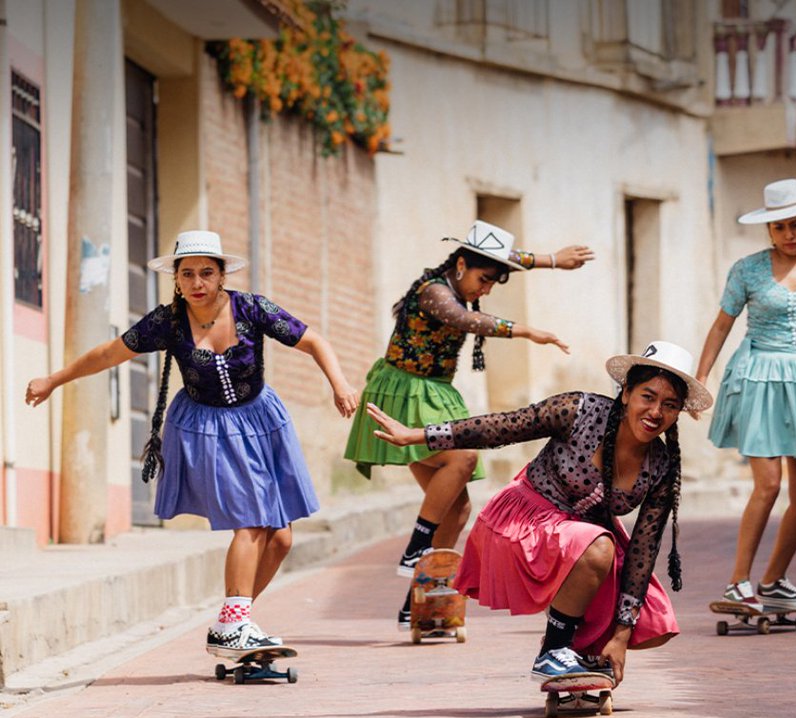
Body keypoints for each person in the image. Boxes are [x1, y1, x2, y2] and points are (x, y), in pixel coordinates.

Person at [25, 230, 358, 656]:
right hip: (206, 428)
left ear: (221, 276)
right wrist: (54, 380)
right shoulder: (167, 321)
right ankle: (235, 625)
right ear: (177, 280)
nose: (197, 282)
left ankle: (232, 623)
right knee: (253, 520)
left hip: (260, 420)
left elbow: (313, 341)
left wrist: (340, 383)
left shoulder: (251, 309)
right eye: (187, 274)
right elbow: (109, 354)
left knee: (280, 538)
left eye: (206, 272)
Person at [365, 341, 712, 685]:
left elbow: (643, 549)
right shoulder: (579, 410)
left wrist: (620, 636)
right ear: (626, 394)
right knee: (597, 548)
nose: (655, 412)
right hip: (525, 520)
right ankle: (553, 652)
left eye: (669, 405)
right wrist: (421, 435)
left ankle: (575, 648)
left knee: (654, 622)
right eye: (647, 397)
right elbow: (505, 426)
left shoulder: (662, 466)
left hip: (584, 538)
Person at [341, 220, 592, 628]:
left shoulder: (463, 276)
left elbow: (511, 258)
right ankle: (415, 547)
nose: (486, 289)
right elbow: (463, 320)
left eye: (493, 283)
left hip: (436, 393)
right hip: (405, 391)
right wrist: (526, 330)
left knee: (458, 509)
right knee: (462, 458)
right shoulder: (434, 292)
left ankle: (420, 602)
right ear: (461, 264)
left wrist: (553, 261)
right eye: (483, 280)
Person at [694, 178, 796, 612]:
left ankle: (774, 579)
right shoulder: (746, 270)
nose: (788, 235)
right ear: (769, 230)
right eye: (779, 227)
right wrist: (700, 377)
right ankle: (737, 582)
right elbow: (722, 325)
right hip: (759, 376)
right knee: (768, 484)